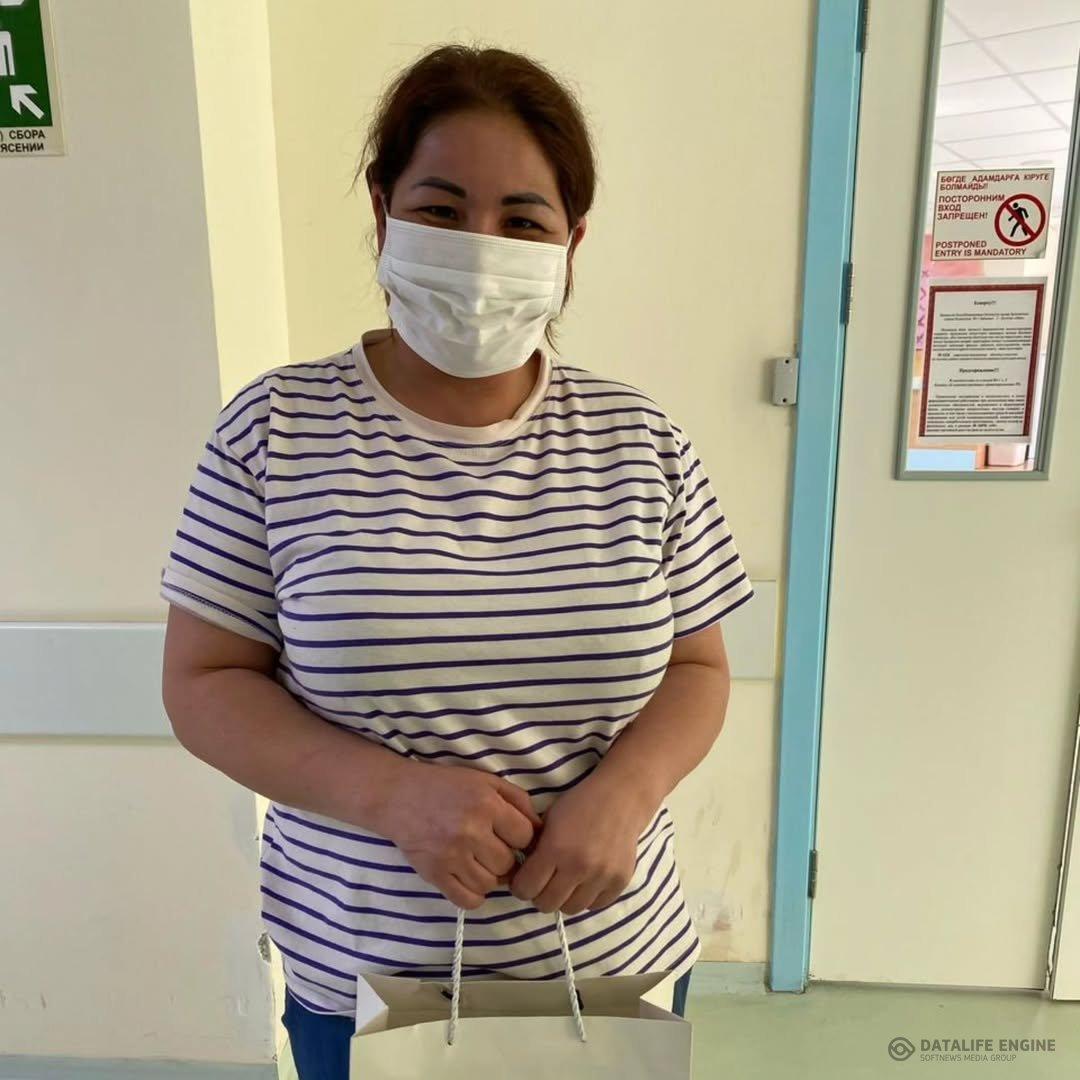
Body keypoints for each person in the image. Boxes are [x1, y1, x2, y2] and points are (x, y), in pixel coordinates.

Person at [160, 43, 754, 1080]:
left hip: (615, 973)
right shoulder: (275, 429)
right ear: (383, 209)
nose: (481, 247)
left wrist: (629, 790)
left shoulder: (640, 438)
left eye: (522, 221)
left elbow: (697, 667)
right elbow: (204, 684)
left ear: (571, 242)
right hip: (366, 988)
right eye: (442, 209)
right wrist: (391, 796)